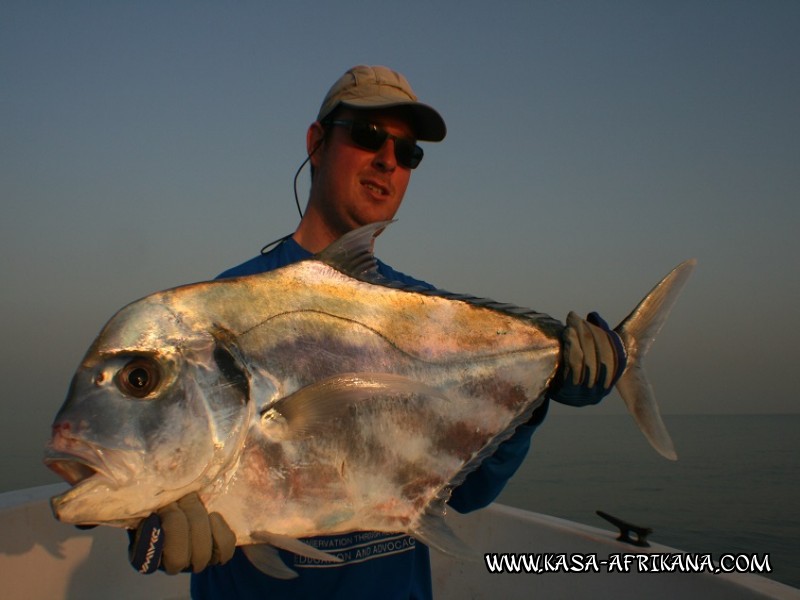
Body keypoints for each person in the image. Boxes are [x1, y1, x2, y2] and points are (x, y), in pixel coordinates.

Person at [129, 65, 625, 599]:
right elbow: (151, 454)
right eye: (367, 136)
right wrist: (147, 525)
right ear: (316, 143)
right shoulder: (222, 312)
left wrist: (534, 401)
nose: (388, 159)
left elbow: (469, 492)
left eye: (408, 152)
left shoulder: (433, 318)